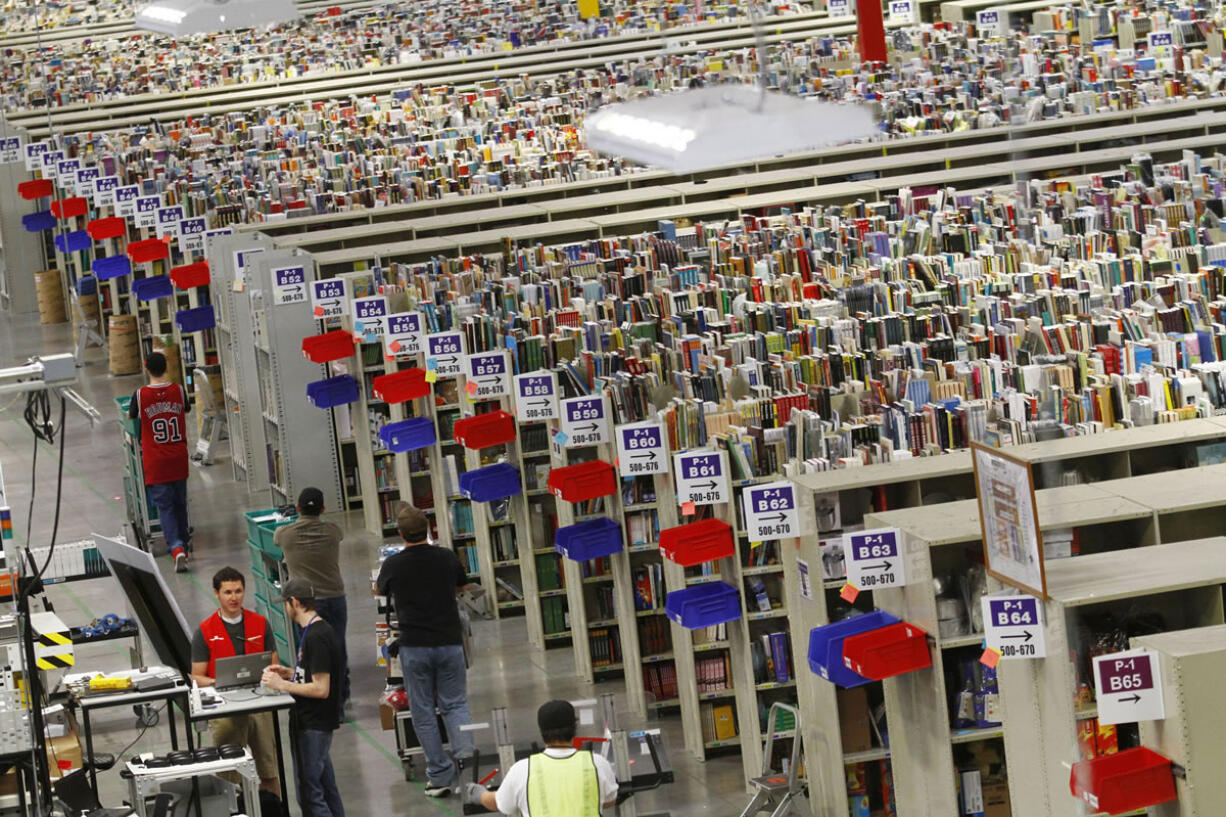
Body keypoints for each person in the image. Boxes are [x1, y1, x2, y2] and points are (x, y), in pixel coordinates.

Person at [375, 503, 474, 797]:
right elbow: (462, 585)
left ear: (401, 534)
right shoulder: (445, 557)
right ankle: (469, 770)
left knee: (423, 711)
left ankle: (439, 776)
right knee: (455, 704)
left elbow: (381, 590)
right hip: (449, 642)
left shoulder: (392, 565)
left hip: (415, 646)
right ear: (430, 529)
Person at [189, 567, 280, 796]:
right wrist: (217, 682)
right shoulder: (205, 631)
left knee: (269, 770)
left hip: (259, 704)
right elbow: (196, 676)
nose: (234, 597)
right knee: (229, 775)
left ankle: (273, 808)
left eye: (238, 591)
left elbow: (274, 666)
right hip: (224, 707)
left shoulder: (260, 623)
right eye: (227, 592)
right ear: (216, 594)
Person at [262, 579, 345, 817]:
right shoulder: (316, 631)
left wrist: (282, 684)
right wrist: (291, 673)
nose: (286, 609)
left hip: (314, 724)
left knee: (310, 795)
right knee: (326, 788)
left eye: (286, 604)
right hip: (314, 723)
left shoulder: (316, 637)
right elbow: (316, 674)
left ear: (295, 602)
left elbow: (321, 689)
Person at [462, 700, 619, 816]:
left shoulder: (522, 769)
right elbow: (610, 799)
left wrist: (479, 794)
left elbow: (500, 803)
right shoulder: (597, 763)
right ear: (574, 728)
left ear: (542, 731)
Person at [274, 487, 349, 709]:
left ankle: (315, 693)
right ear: (323, 509)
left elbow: (276, 538)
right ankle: (340, 699)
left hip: (305, 602)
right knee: (338, 649)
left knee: (309, 652)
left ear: (297, 508)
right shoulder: (333, 531)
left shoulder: (284, 534)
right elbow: (341, 534)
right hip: (334, 597)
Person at [127, 351, 192, 572]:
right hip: (178, 457)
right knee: (181, 503)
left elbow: (131, 418)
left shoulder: (140, 395)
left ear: (146, 369)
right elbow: (187, 408)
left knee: (165, 507)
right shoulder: (179, 391)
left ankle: (176, 547)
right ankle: (185, 544)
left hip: (156, 461)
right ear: (166, 368)